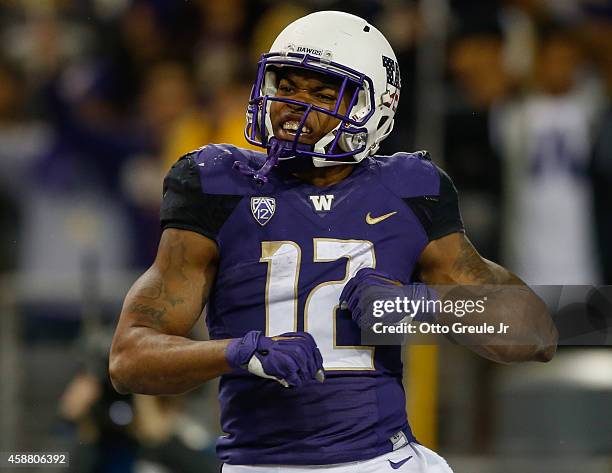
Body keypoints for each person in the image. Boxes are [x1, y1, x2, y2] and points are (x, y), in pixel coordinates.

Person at [109, 11, 557, 472]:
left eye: (324, 94)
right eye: (287, 87)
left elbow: (534, 334)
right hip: (259, 464)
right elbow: (128, 358)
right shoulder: (217, 184)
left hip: (382, 460)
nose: (295, 107)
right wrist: (237, 351)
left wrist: (421, 306)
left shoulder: (409, 188)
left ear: (373, 107)